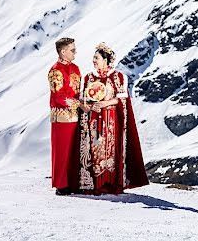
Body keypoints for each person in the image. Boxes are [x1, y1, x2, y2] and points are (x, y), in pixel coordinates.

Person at [78, 42, 149, 194]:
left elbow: (121, 99)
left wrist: (104, 103)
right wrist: (91, 106)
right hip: (94, 118)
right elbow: (83, 100)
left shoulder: (118, 77)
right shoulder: (88, 78)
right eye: (93, 57)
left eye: (96, 57)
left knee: (110, 150)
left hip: (110, 118)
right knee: (95, 148)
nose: (94, 60)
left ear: (105, 60)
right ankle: (96, 183)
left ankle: (111, 183)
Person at [48, 37, 82, 195]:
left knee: (74, 151)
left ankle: (73, 181)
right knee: (62, 151)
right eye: (72, 50)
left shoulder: (76, 68)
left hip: (75, 116)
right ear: (63, 52)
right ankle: (61, 185)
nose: (75, 52)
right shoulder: (56, 71)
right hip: (61, 117)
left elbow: (77, 91)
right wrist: (78, 104)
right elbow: (58, 96)